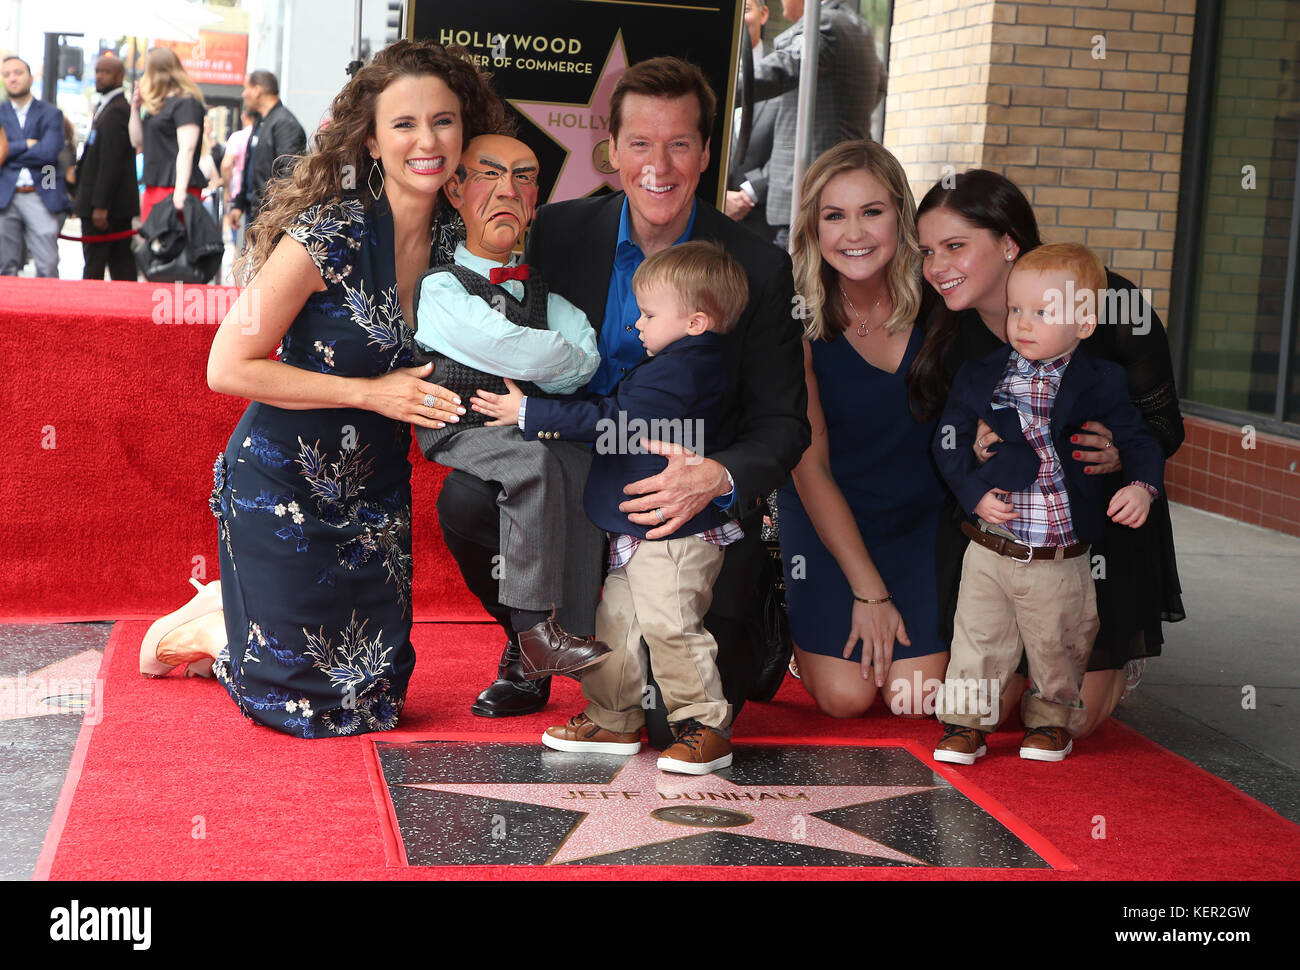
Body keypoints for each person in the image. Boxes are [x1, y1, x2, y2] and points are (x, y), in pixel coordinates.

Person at [136, 40, 505, 738]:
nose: (427, 141)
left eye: (444, 121)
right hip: (279, 482)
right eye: (404, 124)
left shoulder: (467, 239)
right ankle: (212, 630)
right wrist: (372, 394)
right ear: (371, 138)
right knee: (298, 707)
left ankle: (234, 616)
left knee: (376, 704)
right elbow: (227, 366)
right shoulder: (327, 234)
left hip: (376, 491)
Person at [436, 56, 809, 740]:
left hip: (683, 506)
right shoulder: (557, 231)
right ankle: (538, 636)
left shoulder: (756, 265)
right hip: (578, 472)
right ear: (612, 151)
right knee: (465, 497)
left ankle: (749, 623)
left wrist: (716, 476)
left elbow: (784, 425)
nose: (657, 164)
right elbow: (480, 291)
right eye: (640, 143)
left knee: (679, 725)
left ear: (704, 153)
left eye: (678, 144)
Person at [912, 169, 1186, 739]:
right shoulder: (950, 330)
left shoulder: (1106, 306)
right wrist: (973, 445)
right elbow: (942, 438)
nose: (938, 266)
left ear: (1009, 242)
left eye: (956, 246)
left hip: (1092, 522)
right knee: (992, 697)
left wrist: (1122, 456)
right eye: (927, 251)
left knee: (1075, 717)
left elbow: (1161, 426)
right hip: (1003, 525)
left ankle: (1104, 649)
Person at [475, 241, 750, 773]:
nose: (636, 325)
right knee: (617, 624)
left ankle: (705, 724)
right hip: (638, 530)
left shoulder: (687, 370)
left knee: (670, 623)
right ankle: (612, 716)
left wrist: (529, 410)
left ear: (696, 322)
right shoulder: (678, 362)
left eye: (648, 315)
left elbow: (614, 420)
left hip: (673, 534)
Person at [410, 132, 610, 683]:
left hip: (533, 431)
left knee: (575, 469)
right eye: (489, 173)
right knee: (531, 468)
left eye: (523, 177)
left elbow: (585, 361)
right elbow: (507, 346)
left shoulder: (551, 295)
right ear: (455, 189)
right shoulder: (441, 286)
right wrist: (547, 354)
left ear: (536, 199)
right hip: (464, 428)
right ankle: (530, 632)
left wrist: (546, 358)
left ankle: (565, 635)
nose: (507, 190)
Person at [776, 139, 947, 720]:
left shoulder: (941, 305)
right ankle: (795, 622)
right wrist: (868, 591)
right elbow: (809, 466)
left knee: (914, 698)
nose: (855, 232)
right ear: (813, 229)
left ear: (901, 216)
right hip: (827, 519)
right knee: (847, 700)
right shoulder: (796, 317)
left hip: (921, 525)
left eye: (872, 212)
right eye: (835, 215)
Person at [750, 0, 884, 244]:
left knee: (791, 279)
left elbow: (780, 70)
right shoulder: (860, 28)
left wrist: (719, 85)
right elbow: (880, 85)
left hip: (805, 191)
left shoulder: (824, 23)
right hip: (841, 184)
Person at [0, 55, 70, 277]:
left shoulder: (50, 113)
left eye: (18, 73)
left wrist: (8, 151)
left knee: (48, 264)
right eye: (6, 74)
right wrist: (26, 144)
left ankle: (48, 311)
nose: (12, 78)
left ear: (30, 78)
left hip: (41, 189)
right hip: (4, 194)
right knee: (5, 267)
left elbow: (48, 153)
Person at [77, 53, 139, 281]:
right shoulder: (108, 107)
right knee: (120, 266)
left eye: (106, 72)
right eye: (97, 71)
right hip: (104, 206)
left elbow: (110, 162)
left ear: (120, 76)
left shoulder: (117, 110)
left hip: (106, 210)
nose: (99, 77)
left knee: (98, 266)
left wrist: (100, 206)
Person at [129, 47, 207, 223]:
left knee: (172, 246)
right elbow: (137, 141)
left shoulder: (186, 103)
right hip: (154, 185)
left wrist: (180, 191)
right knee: (154, 247)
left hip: (175, 187)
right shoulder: (157, 105)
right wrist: (135, 108)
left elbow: (187, 148)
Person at [725, 0, 778, 242]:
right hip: (710, 218)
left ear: (763, 14)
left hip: (764, 225)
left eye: (744, 10)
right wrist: (719, 195)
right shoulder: (705, 69)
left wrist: (750, 191)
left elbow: (792, 144)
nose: (736, 18)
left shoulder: (787, 70)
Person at [230, 70, 307, 230]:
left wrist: (274, 215)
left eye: (246, 88)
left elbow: (289, 174)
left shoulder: (285, 124)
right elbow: (251, 165)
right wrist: (239, 203)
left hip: (272, 219)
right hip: (256, 214)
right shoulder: (262, 122)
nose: (243, 94)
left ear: (257, 91)